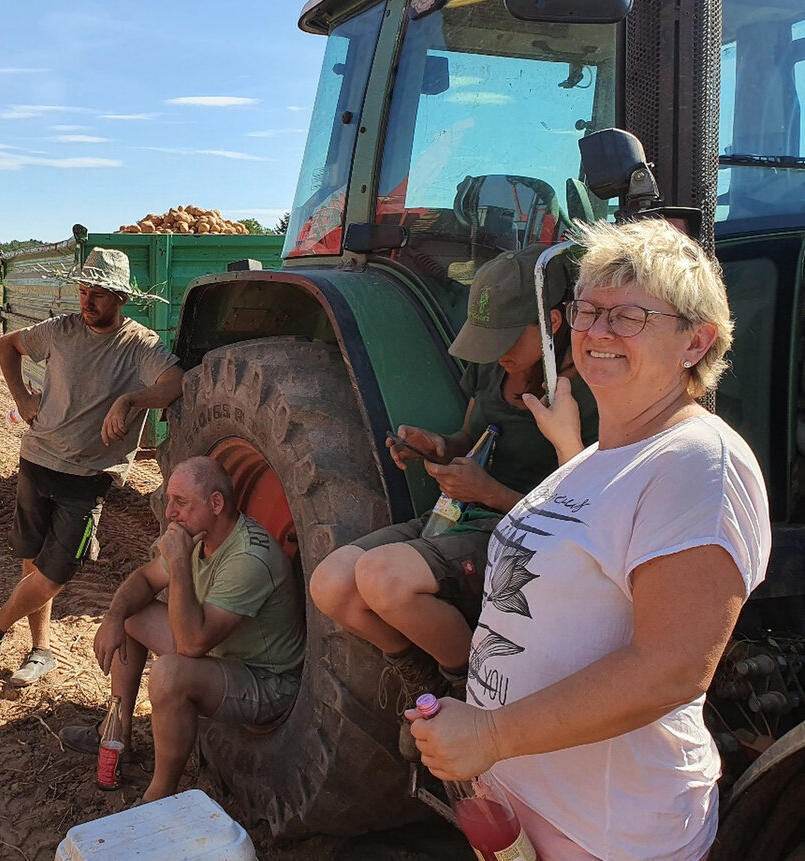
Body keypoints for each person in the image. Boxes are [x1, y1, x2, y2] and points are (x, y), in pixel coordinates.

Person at [408, 218, 771, 861]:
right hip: (532, 811)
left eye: (629, 315)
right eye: (588, 309)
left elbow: (672, 668)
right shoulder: (591, 460)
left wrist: (491, 733)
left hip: (611, 831)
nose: (597, 331)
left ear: (697, 340)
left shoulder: (698, 461)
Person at [309, 243, 598, 737]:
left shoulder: (587, 392)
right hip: (462, 513)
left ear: (552, 323)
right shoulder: (494, 365)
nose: (495, 353)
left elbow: (587, 511)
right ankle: (422, 678)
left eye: (505, 338)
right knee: (331, 583)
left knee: (383, 578)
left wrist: (491, 493)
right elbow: (471, 437)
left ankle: (471, 690)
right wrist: (438, 447)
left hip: (526, 531)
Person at [0, 247, 183, 687]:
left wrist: (130, 400)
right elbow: (6, 345)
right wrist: (21, 398)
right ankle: (40, 650)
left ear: (121, 299)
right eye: (83, 290)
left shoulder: (138, 344)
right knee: (34, 561)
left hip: (89, 476)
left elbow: (175, 383)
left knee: (55, 575)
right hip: (37, 459)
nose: (87, 302)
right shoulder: (62, 329)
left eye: (99, 294)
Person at [58, 456, 305, 802]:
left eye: (181, 502)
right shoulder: (198, 536)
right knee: (132, 613)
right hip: (221, 651)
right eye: (169, 500)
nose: (170, 512)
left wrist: (177, 563)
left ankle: (159, 796)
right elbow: (144, 579)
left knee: (170, 674)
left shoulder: (249, 558)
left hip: (266, 680)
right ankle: (117, 736)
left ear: (216, 503)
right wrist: (114, 616)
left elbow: (191, 645)